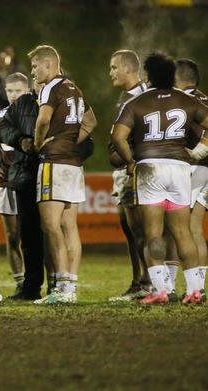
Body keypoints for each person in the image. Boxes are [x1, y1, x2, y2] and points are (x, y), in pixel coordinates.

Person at [112, 53, 208, 304]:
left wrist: (131, 161)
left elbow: (118, 137)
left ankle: (162, 290)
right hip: (179, 168)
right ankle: (195, 291)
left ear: (149, 76)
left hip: (149, 168)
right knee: (183, 232)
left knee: (153, 234)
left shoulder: (137, 102)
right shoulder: (186, 99)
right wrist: (200, 148)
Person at [31, 45, 97, 304]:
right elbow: (91, 121)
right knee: (69, 226)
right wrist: (73, 141)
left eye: (36, 65)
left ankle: (61, 289)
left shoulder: (50, 88)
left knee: (50, 226)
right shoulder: (75, 88)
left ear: (48, 64)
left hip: (54, 163)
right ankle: (71, 287)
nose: (33, 71)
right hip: (73, 164)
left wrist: (38, 143)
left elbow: (43, 120)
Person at [106, 50, 151, 301]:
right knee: (128, 227)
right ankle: (138, 281)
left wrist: (129, 156)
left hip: (135, 169)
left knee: (140, 228)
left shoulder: (141, 96)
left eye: (114, 67)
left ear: (128, 69)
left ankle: (148, 281)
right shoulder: (126, 96)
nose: (111, 72)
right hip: (123, 170)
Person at [0, 79, 46, 300]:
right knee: (25, 234)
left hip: (52, 173)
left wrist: (68, 154)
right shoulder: (23, 104)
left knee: (54, 232)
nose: (35, 73)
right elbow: (3, 129)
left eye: (37, 68)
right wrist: (21, 140)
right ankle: (29, 285)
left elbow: (85, 132)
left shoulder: (65, 100)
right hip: (25, 175)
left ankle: (61, 283)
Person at [0, 72, 30, 295]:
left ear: (27, 91)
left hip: (31, 182)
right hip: (7, 185)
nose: (13, 95)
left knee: (36, 233)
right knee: (13, 236)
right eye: (10, 91)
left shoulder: (38, 114)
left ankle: (46, 279)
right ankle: (21, 282)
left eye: (18, 91)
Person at [175, 59, 208, 294]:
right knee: (195, 227)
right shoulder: (204, 97)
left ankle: (194, 288)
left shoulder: (186, 100)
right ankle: (200, 287)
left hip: (200, 167)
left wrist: (198, 151)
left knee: (188, 228)